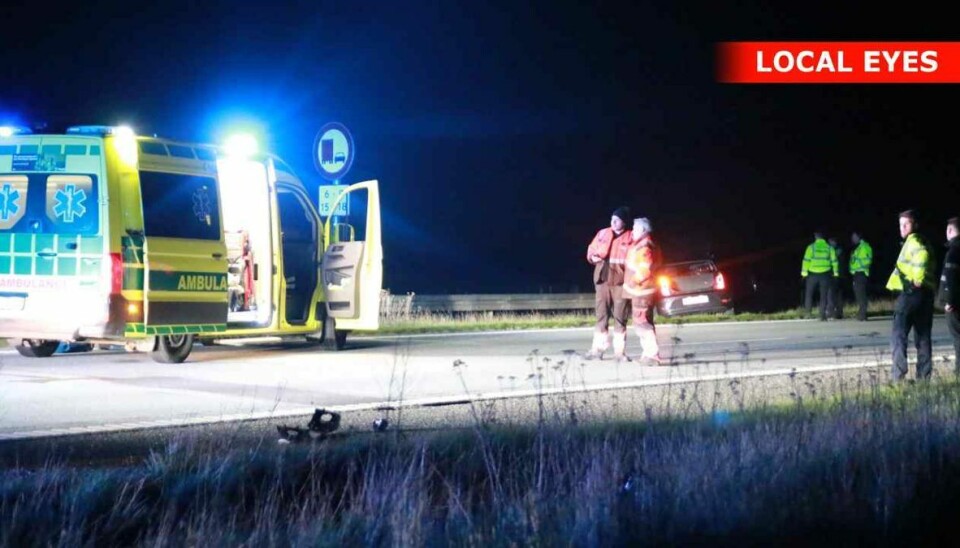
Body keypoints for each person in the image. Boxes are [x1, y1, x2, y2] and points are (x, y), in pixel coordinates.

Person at [886, 209, 937, 381]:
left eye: (906, 224)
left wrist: (917, 279)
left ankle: (899, 376)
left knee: (898, 334)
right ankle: (923, 377)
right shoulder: (924, 240)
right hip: (926, 295)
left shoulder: (914, 241)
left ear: (915, 224)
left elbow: (921, 257)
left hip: (911, 294)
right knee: (923, 338)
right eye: (900, 225)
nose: (902, 228)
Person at [584, 206, 633, 360]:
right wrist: (592, 257)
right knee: (601, 315)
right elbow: (591, 249)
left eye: (617, 219)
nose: (613, 221)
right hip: (602, 280)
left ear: (624, 222)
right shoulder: (603, 233)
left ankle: (619, 352)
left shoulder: (630, 237)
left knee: (620, 317)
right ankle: (598, 349)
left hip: (620, 282)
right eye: (612, 218)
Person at [623, 217, 661, 364]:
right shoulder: (646, 244)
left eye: (635, 228)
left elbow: (644, 271)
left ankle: (652, 355)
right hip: (644, 291)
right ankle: (648, 354)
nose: (632, 231)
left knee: (642, 323)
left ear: (643, 230)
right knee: (644, 322)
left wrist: (633, 281)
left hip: (641, 291)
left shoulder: (644, 248)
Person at [936, 217, 960, 371]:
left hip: (955, 304)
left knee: (957, 336)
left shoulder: (953, 251)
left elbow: (950, 278)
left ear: (950, 230)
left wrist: (949, 301)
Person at [801, 231, 838, 321]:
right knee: (823, 295)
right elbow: (834, 261)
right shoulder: (829, 248)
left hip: (812, 274)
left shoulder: (811, 247)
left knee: (809, 293)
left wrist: (804, 273)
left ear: (815, 237)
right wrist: (836, 273)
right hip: (825, 274)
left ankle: (808, 313)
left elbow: (806, 260)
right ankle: (822, 315)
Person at [849, 231, 873, 321]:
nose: (852, 239)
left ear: (859, 237)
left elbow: (867, 260)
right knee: (859, 294)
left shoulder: (865, 247)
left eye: (854, 237)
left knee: (861, 294)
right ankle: (861, 313)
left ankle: (863, 314)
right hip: (857, 273)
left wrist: (859, 265)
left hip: (861, 273)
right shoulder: (858, 247)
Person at [827, 236, 845, 319]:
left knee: (831, 294)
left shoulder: (833, 251)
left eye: (831, 241)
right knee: (838, 295)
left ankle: (832, 312)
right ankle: (838, 313)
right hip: (839, 276)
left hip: (833, 276)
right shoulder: (839, 250)